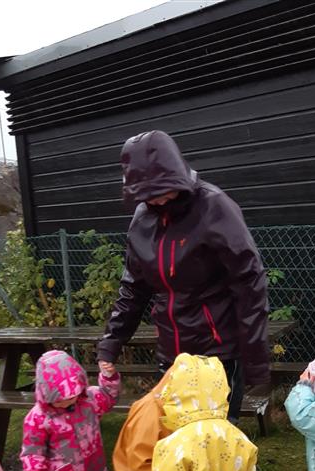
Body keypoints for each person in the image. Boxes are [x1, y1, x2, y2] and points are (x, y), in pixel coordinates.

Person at [97, 130, 271, 423]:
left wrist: (255, 359)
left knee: (216, 443)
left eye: (162, 189)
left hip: (217, 355)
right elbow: (133, 288)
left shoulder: (215, 207)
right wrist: (110, 344)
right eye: (148, 194)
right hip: (171, 355)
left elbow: (250, 283)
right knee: (173, 438)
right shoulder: (141, 219)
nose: (158, 199)